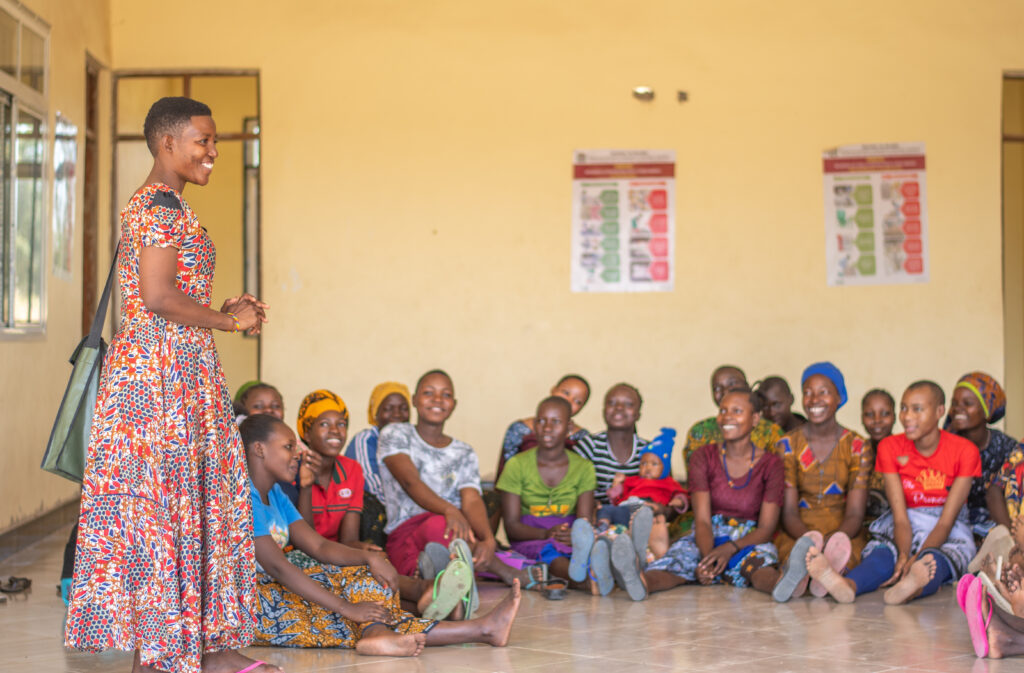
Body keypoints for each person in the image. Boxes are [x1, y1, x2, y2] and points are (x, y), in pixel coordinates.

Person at [65, 97, 273, 673]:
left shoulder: (168, 206)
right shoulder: (159, 207)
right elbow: (156, 298)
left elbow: (166, 297)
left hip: (175, 369)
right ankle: (163, 656)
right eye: (202, 141)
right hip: (159, 382)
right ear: (167, 144)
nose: (212, 152)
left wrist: (218, 308)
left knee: (184, 502)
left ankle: (197, 650)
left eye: (214, 142)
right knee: (165, 508)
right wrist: (230, 321)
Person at [241, 414, 522, 655]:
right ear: (259, 449)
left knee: (365, 580)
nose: (297, 454)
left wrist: (367, 558)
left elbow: (318, 545)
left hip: (278, 588)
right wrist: (345, 607)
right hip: (252, 605)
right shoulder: (242, 497)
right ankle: (477, 629)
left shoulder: (275, 495)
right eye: (288, 446)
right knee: (344, 614)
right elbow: (278, 567)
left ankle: (384, 633)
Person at [807, 381, 981, 604]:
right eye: (904, 408)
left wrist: (917, 557)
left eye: (917, 409)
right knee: (882, 554)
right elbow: (900, 517)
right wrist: (903, 555)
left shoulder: (965, 451)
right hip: (906, 521)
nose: (907, 417)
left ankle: (912, 587)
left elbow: (946, 522)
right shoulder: (890, 447)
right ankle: (848, 585)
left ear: (939, 412)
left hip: (947, 526)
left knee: (933, 562)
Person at [379, 369, 545, 588]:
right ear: (414, 400)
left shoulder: (463, 451)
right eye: (429, 393)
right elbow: (410, 482)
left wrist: (487, 538)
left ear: (454, 404)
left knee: (452, 533)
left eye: (445, 395)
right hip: (408, 531)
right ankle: (495, 570)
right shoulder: (395, 433)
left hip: (457, 532)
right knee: (440, 526)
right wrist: (450, 510)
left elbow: (472, 498)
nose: (437, 400)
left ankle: (443, 574)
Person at [640, 389, 799, 601]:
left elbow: (766, 528)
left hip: (748, 538)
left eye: (737, 411)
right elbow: (703, 521)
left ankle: (781, 584)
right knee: (677, 562)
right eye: (723, 410)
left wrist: (729, 549)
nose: (727, 417)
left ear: (755, 419)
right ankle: (641, 583)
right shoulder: (702, 457)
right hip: (707, 535)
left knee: (759, 567)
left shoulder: (771, 465)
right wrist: (708, 560)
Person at [773, 363, 872, 600]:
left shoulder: (858, 446)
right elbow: (788, 513)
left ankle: (816, 573)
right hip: (798, 531)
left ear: (840, 397)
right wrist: (810, 543)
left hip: (843, 533)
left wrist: (832, 543)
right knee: (791, 552)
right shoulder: (786, 445)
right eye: (808, 392)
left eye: (824, 392)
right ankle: (816, 571)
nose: (814, 399)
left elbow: (856, 513)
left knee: (851, 553)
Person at [497, 396, 596, 589]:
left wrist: (575, 535)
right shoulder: (517, 465)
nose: (547, 428)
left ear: (569, 428)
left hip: (568, 534)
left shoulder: (584, 468)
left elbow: (584, 523)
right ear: (534, 425)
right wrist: (546, 533)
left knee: (587, 549)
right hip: (532, 536)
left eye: (556, 422)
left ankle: (599, 571)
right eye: (541, 421)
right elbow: (511, 526)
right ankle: (584, 582)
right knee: (553, 556)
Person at [292, 389, 378, 550]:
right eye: (324, 424)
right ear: (307, 433)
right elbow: (303, 543)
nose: (335, 430)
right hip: (300, 555)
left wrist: (363, 550)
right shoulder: (291, 470)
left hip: (336, 553)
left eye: (341, 424)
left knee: (380, 566)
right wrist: (306, 487)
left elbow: (348, 540)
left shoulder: (352, 469)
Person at [598, 429, 687, 559]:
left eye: (654, 464)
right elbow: (617, 494)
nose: (648, 468)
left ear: (665, 467)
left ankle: (639, 538)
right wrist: (616, 485)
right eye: (643, 463)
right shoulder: (633, 480)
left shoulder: (669, 483)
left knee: (647, 513)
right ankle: (602, 526)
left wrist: (679, 501)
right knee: (606, 509)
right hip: (627, 508)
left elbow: (682, 494)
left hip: (648, 508)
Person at [945, 372, 1016, 533]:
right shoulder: (944, 444)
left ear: (987, 410)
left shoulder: (1006, 448)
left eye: (967, 403)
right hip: (950, 526)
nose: (958, 409)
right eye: (954, 403)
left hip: (997, 525)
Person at [345, 382, 412, 547]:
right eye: (388, 408)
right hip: (376, 511)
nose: (397, 414)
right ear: (375, 414)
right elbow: (372, 487)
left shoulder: (413, 439)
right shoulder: (366, 440)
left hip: (406, 512)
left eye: (403, 408)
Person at [682, 365, 784, 469]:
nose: (725, 391)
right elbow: (694, 475)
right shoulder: (700, 431)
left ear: (747, 386)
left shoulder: (770, 431)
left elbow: (780, 473)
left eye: (732, 383)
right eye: (717, 388)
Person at [496, 374, 591, 479]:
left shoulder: (583, 437)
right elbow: (505, 473)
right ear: (553, 390)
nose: (569, 401)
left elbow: (583, 477)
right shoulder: (519, 429)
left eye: (577, 401)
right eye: (566, 393)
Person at [573, 383, 650, 504]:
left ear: (638, 414)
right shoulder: (589, 446)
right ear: (604, 411)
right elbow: (571, 488)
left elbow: (665, 492)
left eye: (628, 404)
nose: (619, 407)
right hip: (595, 515)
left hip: (634, 514)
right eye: (612, 403)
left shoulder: (649, 450)